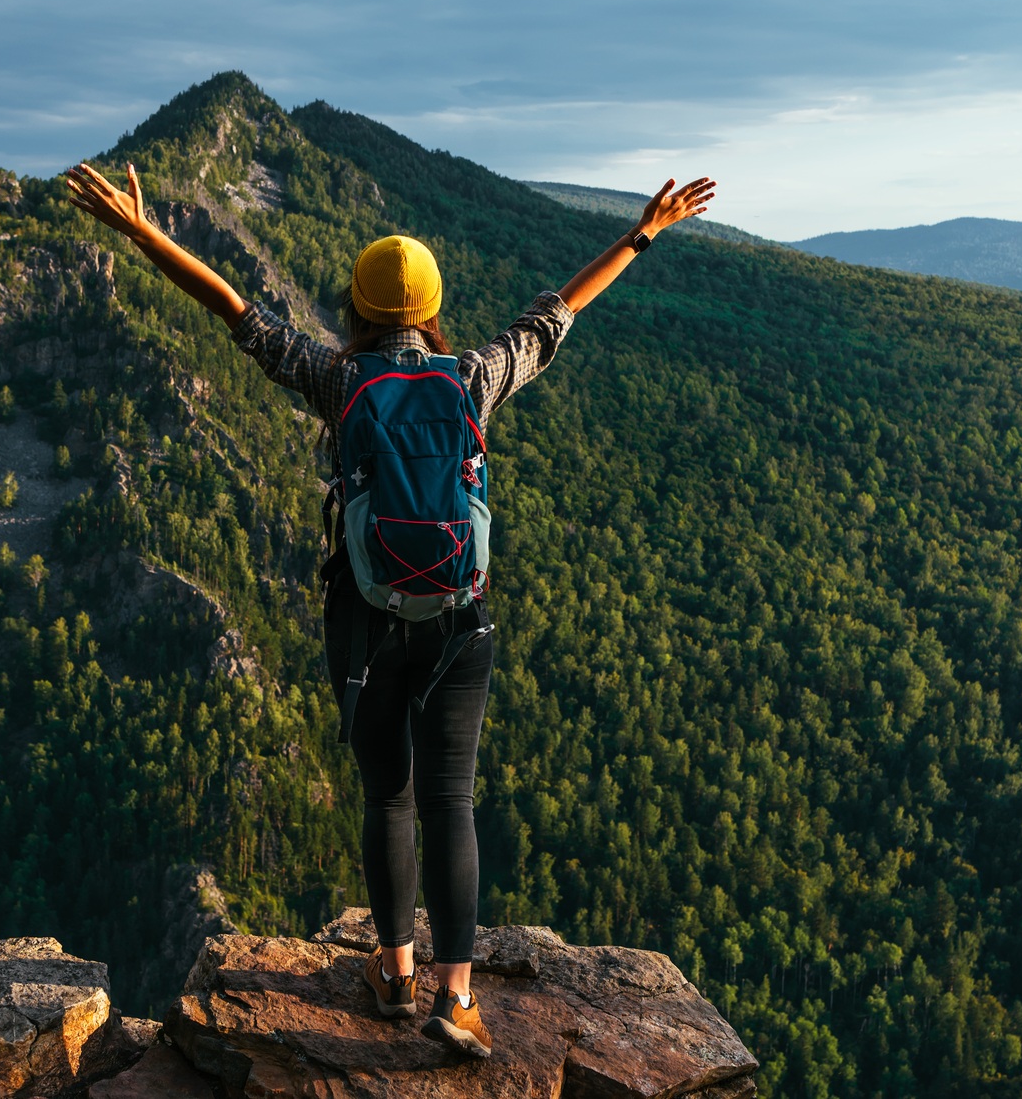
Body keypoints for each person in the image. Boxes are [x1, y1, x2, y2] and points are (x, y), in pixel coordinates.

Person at [67, 159, 714, 1058]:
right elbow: (557, 314)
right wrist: (644, 231)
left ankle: (394, 973)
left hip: (365, 617)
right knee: (453, 798)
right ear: (434, 308)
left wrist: (144, 234)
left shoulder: (340, 382)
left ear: (357, 305)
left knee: (390, 797)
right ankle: (457, 999)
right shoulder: (473, 376)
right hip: (461, 619)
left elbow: (235, 311)